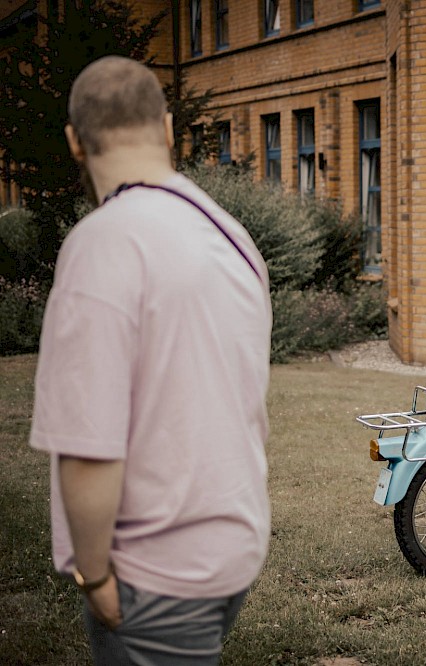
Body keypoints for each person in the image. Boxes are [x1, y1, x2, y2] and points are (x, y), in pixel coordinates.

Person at [29, 56, 272, 664]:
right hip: (233, 544)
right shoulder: (231, 235)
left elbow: (88, 446)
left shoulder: (103, 245)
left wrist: (94, 577)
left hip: (155, 569)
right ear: (167, 129)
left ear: (74, 144)